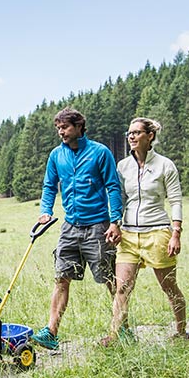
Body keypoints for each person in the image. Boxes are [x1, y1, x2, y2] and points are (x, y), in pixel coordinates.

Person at [32, 107, 123, 350]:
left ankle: (121, 330)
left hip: (98, 227)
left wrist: (115, 221)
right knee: (61, 278)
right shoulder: (56, 155)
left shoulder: (100, 152)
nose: (61, 132)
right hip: (70, 227)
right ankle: (51, 332)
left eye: (65, 127)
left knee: (110, 280)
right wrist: (46, 210)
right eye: (58, 128)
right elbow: (49, 185)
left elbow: (113, 187)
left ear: (79, 127)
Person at [104, 117, 188, 345]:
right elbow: (118, 198)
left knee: (169, 287)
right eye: (129, 133)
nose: (131, 137)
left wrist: (176, 232)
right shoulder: (123, 167)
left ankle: (181, 333)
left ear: (149, 136)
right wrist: (115, 224)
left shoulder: (165, 165)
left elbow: (176, 199)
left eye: (137, 133)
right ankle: (116, 335)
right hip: (129, 235)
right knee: (121, 288)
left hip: (158, 233)